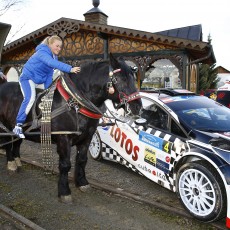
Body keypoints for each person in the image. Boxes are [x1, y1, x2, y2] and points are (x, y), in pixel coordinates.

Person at [13, 35, 81, 138]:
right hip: (27, 78)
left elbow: (49, 74)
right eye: (57, 46)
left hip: (39, 80)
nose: (59, 48)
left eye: (60, 47)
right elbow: (51, 63)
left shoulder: (54, 56)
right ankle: (18, 126)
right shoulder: (42, 53)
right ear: (49, 45)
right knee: (30, 98)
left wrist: (48, 89)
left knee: (49, 94)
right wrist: (70, 69)